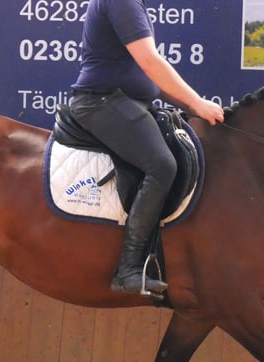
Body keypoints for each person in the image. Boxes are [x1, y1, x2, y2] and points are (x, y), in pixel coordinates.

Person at [69, 0, 224, 295]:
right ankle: (129, 269)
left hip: (123, 100)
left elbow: (150, 74)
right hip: (102, 101)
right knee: (162, 165)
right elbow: (151, 63)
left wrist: (189, 105)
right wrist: (196, 102)